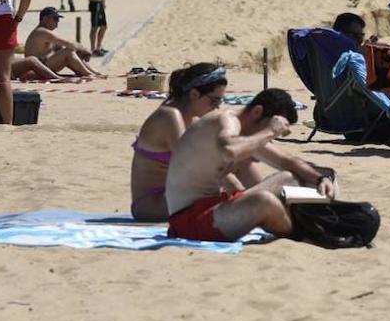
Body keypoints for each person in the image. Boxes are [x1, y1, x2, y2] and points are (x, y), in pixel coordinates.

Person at [166, 88, 339, 242]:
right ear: (257, 112)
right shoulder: (225, 120)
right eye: (269, 131)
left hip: (217, 206)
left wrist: (320, 179)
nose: (269, 138)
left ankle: (312, 222)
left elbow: (288, 162)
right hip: (188, 220)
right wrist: (270, 131)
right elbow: (229, 149)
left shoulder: (248, 132)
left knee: (291, 178)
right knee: (264, 200)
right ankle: (308, 235)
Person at [130, 63, 229, 221]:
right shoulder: (169, 116)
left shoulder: (190, 117)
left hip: (174, 196)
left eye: (220, 101)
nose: (217, 107)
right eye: (214, 101)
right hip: (151, 204)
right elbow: (190, 163)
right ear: (194, 94)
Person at [23, 7, 105, 77]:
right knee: (69, 51)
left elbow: (66, 45)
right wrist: (85, 50)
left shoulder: (46, 33)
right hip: (36, 68)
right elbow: (69, 43)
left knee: (70, 51)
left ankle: (92, 72)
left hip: (43, 64)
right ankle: (88, 73)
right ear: (45, 19)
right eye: (55, 18)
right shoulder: (41, 32)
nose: (57, 21)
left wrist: (80, 51)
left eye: (58, 19)